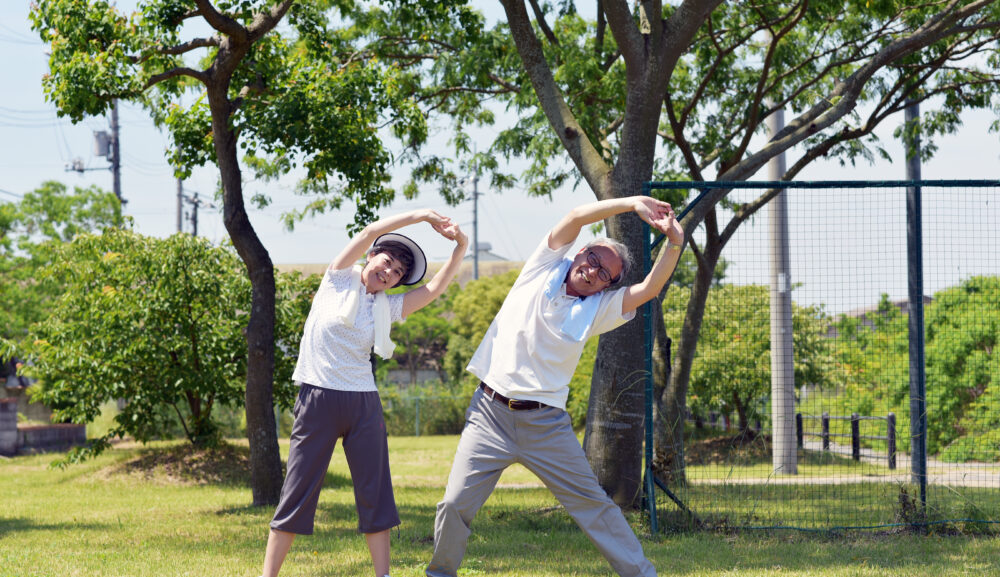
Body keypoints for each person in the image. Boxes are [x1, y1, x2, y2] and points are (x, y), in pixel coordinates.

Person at [426, 197, 684, 577]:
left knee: (594, 505)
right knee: (453, 504)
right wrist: (631, 204)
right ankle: (439, 574)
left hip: (546, 425)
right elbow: (577, 216)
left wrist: (675, 242)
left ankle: (642, 574)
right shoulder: (542, 266)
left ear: (606, 287)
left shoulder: (598, 309)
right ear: (580, 252)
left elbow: (648, 289)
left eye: (605, 275)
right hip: (489, 415)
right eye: (593, 259)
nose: (593, 271)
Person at [262, 209, 468, 577]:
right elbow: (372, 229)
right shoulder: (337, 280)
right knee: (296, 492)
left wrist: (460, 247)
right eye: (387, 262)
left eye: (397, 274)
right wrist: (421, 216)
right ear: (371, 257)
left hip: (362, 405)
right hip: (318, 400)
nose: (389, 273)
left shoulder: (386, 307)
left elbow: (435, 289)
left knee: (376, 496)